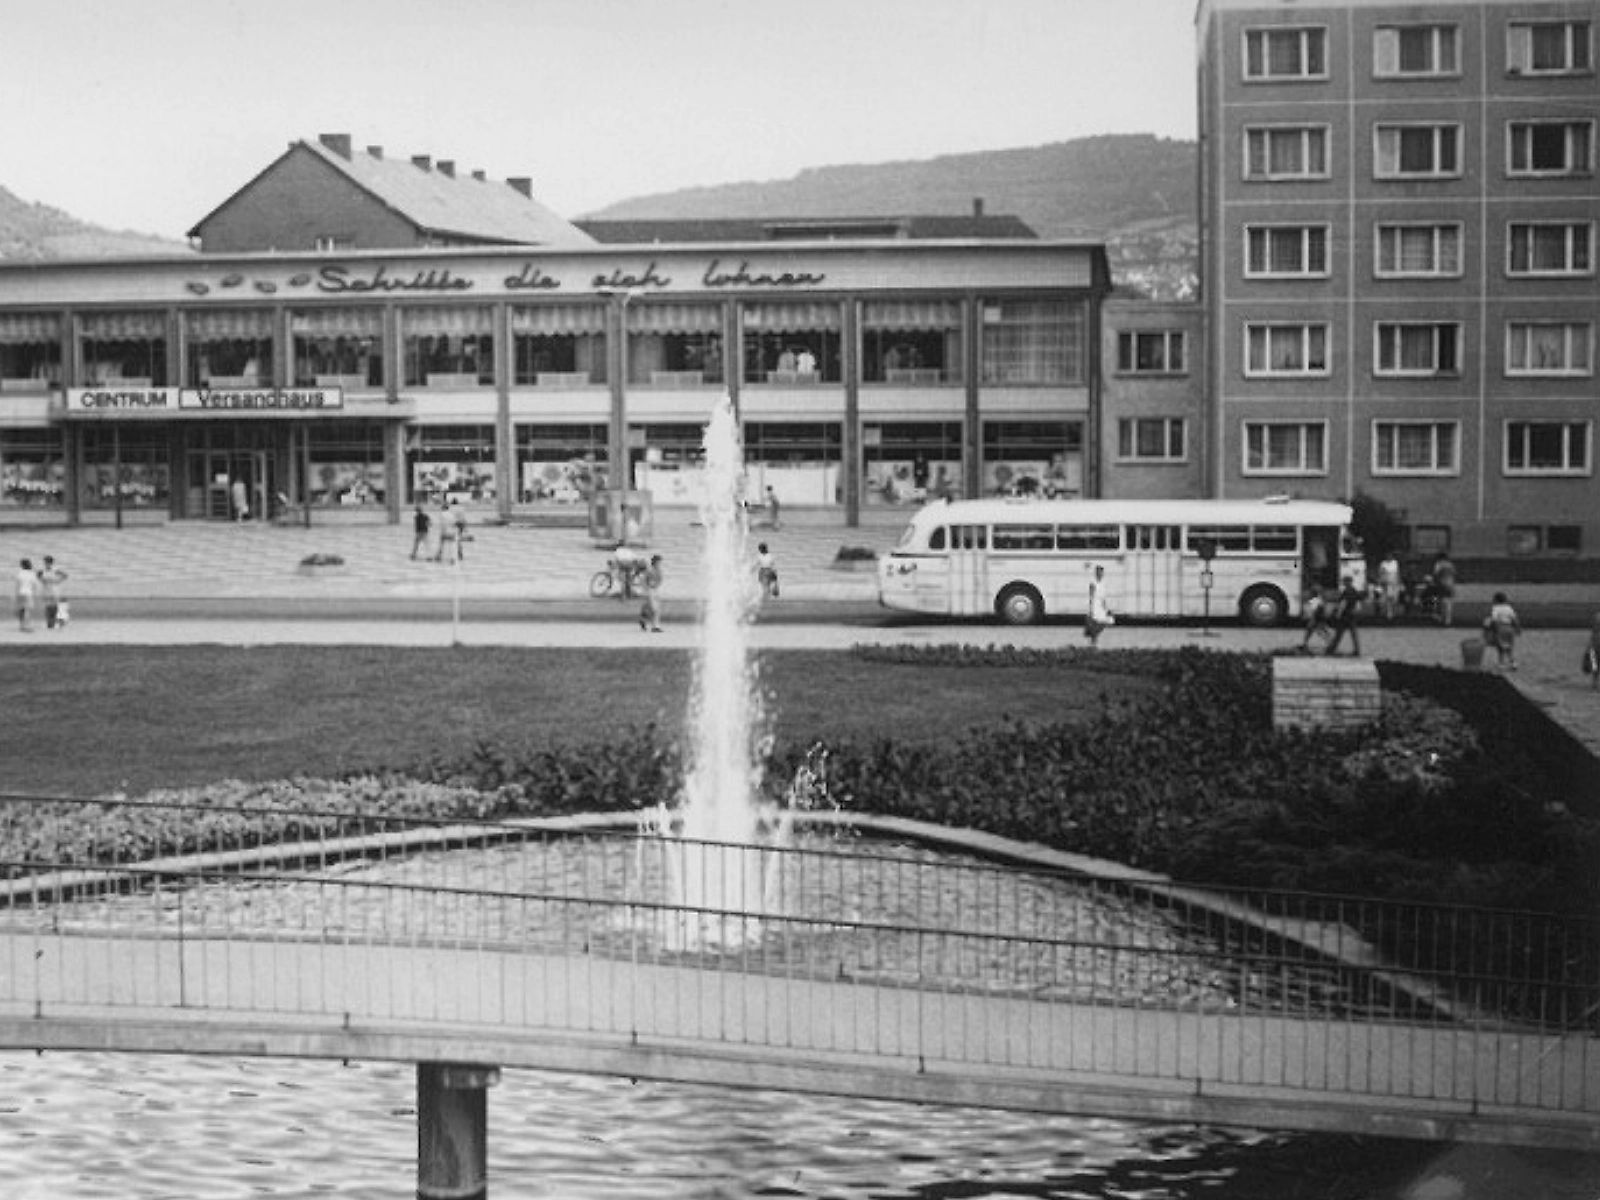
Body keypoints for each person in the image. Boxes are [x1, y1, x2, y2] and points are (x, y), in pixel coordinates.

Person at [1324, 575, 1364, 656]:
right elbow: (1357, 602)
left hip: (1345, 616)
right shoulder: (1354, 590)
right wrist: (1356, 611)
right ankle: (1357, 651)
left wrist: (1338, 614)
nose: (1343, 583)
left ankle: (1331, 650)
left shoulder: (1346, 591)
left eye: (1344, 581)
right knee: (1353, 634)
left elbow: (1343, 603)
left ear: (1347, 582)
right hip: (1352, 615)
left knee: (1339, 633)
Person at [1483, 591, 1522, 670]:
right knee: (1510, 647)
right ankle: (1513, 663)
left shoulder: (1496, 608)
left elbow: (1494, 619)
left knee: (1500, 647)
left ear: (1496, 600)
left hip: (1500, 628)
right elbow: (1515, 619)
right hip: (1509, 628)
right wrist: (1518, 629)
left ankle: (1501, 663)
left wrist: (1488, 627)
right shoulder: (1509, 608)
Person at [1084, 564, 1113, 647]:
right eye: (1098, 572)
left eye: (1101, 572)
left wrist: (1106, 608)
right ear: (1096, 573)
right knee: (1095, 625)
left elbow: (1103, 597)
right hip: (1095, 606)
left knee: (1103, 623)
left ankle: (1094, 641)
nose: (1100, 574)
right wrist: (1091, 609)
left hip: (1101, 606)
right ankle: (1094, 642)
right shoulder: (1093, 583)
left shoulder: (1103, 583)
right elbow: (1091, 596)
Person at [37, 555, 68, 630]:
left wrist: (58, 581)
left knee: (55, 607)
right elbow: (38, 577)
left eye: (47, 562)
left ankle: (56, 622)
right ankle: (49, 623)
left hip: (55, 590)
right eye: (45, 562)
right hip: (46, 591)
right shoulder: (42, 570)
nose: (45, 564)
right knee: (47, 607)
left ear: (50, 563)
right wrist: (42, 580)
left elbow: (65, 575)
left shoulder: (55, 570)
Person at [1300, 583, 1332, 653]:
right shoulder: (1319, 599)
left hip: (1316, 619)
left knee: (1319, 631)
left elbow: (1312, 611)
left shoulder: (1315, 600)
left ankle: (1330, 643)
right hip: (1320, 618)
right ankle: (1329, 643)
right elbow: (1322, 608)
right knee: (1319, 631)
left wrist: (1310, 618)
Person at [1430, 552, 1457, 627]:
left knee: (1437, 600)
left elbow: (1436, 574)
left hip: (1441, 584)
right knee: (1448, 603)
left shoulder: (1438, 564)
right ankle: (1448, 620)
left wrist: (1434, 581)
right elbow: (1454, 574)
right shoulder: (1450, 564)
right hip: (1450, 584)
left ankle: (1439, 617)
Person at [639, 554, 664, 632]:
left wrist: (656, 585)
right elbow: (643, 581)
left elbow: (660, 580)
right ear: (655, 562)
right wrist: (646, 590)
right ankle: (655, 626)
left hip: (655, 590)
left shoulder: (659, 570)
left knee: (654, 608)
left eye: (660, 562)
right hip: (649, 590)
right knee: (654, 609)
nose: (660, 564)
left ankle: (643, 619)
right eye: (659, 562)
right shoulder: (648, 570)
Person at [14, 558, 38, 633]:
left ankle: (21, 626)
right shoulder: (32, 574)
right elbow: (34, 585)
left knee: (21, 610)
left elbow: (17, 586)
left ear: (22, 565)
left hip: (20, 593)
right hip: (28, 593)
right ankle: (27, 626)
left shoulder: (19, 573)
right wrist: (34, 594)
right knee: (28, 610)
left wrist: (16, 595)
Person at [1376, 553, 1401, 622]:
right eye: (1387, 555)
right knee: (1387, 599)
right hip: (1386, 583)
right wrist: (1380, 582)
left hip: (1394, 583)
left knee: (1394, 599)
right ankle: (1388, 614)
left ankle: (1393, 613)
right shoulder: (1383, 563)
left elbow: (1397, 573)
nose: (1389, 556)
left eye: (1390, 556)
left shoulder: (1395, 562)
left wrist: (1399, 582)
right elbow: (1380, 573)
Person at [1585, 611, 1600, 692]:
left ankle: (1595, 684)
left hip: (1594, 645)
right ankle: (1595, 684)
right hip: (1595, 645)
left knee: (1595, 667)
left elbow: (1593, 634)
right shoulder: (1597, 616)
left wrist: (1589, 647)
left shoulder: (1597, 616)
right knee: (1595, 666)